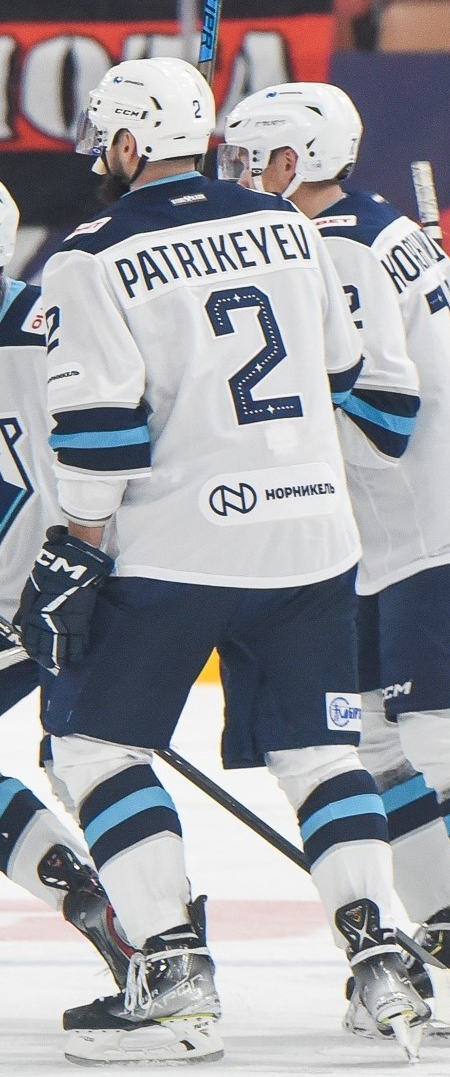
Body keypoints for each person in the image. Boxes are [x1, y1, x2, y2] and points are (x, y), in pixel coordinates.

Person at [15, 57, 429, 1066]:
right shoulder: (288, 225)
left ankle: (172, 975)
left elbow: (101, 433)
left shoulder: (91, 253)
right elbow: (342, 371)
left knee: (95, 746)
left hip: (178, 545)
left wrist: (77, 548)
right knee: (322, 754)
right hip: (314, 539)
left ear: (126, 143)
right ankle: (383, 964)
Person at [221, 81, 450, 1033]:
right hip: (390, 536)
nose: (237, 176)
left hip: (423, 526)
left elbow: (384, 416)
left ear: (298, 160)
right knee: (376, 745)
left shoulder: (336, 244)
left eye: (250, 160)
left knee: (433, 747)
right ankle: (442, 923)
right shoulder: (369, 227)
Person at [0, 182, 134, 992]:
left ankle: (104, 901)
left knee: (89, 759)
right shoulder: (64, 320)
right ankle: (138, 915)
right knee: (90, 761)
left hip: (37, 600)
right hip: (87, 581)